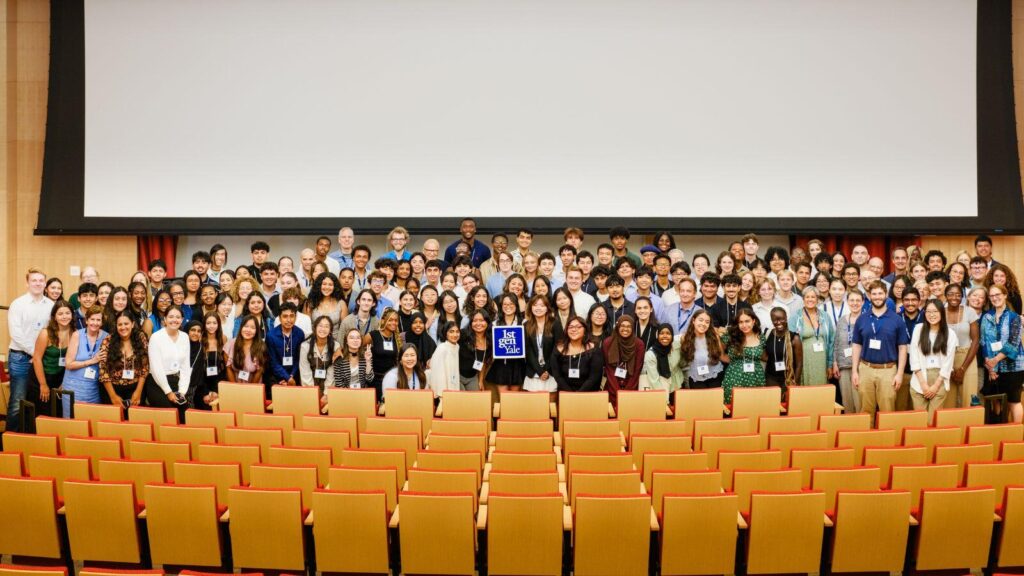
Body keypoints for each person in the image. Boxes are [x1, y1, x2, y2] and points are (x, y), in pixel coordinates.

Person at [851, 281, 910, 423]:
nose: (877, 297)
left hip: (888, 370)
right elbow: (856, 345)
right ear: (869, 296)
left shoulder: (897, 320)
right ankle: (866, 441)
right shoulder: (862, 318)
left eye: (880, 293)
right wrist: (855, 371)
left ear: (885, 295)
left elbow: (903, 348)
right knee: (865, 411)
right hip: (866, 369)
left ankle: (887, 442)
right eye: (874, 294)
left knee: (887, 412)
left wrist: (900, 374)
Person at [6, 268, 55, 431]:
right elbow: (16, 334)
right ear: (27, 283)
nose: (38, 283)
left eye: (41, 280)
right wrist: (35, 354)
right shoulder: (18, 304)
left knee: (37, 400)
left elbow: (53, 331)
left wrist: (39, 356)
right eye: (34, 280)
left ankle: (32, 437)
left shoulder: (50, 305)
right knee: (17, 403)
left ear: (45, 284)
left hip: (41, 360)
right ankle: (11, 442)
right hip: (20, 358)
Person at [980, 284, 1024, 423]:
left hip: (1013, 367)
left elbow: (1013, 343)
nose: (995, 298)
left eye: (998, 294)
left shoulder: (1014, 317)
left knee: (1013, 401)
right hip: (993, 368)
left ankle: (1015, 434)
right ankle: (999, 431)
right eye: (992, 296)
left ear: (1005, 295)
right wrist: (990, 364)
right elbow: (983, 341)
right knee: (996, 401)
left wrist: (995, 360)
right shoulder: (987, 316)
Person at [909, 300, 958, 420]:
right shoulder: (918, 329)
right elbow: (914, 357)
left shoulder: (950, 334)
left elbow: (948, 362)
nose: (932, 315)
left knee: (932, 421)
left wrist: (935, 386)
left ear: (942, 313)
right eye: (929, 312)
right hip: (919, 378)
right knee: (919, 421)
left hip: (939, 378)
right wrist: (923, 384)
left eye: (935, 311)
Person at [145, 305, 193, 417]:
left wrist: (182, 391)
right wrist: (168, 392)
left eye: (178, 317)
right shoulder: (156, 337)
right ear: (165, 319)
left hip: (177, 382)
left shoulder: (185, 337)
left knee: (183, 415)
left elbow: (186, 366)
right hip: (158, 384)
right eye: (171, 317)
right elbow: (156, 369)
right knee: (169, 417)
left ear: (182, 320)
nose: (174, 320)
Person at [61, 305, 109, 415]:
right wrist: (92, 361)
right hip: (73, 388)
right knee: (72, 422)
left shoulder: (106, 337)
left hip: (92, 389)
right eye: (92, 319)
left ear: (102, 322)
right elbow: (68, 364)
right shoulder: (77, 335)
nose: (95, 323)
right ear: (86, 320)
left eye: (98, 320)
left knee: (90, 422)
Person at [30, 300, 73, 418]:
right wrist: (43, 385)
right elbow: (36, 359)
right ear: (54, 317)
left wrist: (64, 382)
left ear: (72, 315)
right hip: (41, 377)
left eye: (67, 313)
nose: (64, 316)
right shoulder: (46, 333)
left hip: (59, 377)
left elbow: (71, 361)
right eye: (60, 314)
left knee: (58, 412)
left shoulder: (74, 333)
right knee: (43, 413)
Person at [98, 310, 149, 408]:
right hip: (112, 388)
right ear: (116, 326)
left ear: (133, 324)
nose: (123, 327)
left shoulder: (141, 338)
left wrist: (138, 392)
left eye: (126, 324)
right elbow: (103, 371)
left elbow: (145, 367)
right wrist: (113, 396)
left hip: (135, 387)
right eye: (120, 324)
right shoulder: (108, 340)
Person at [943, 283, 980, 408]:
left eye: (958, 295)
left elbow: (975, 341)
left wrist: (963, 368)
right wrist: (951, 368)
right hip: (946, 358)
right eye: (951, 294)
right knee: (948, 399)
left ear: (962, 297)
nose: (955, 297)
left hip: (967, 356)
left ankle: (970, 427)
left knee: (969, 398)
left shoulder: (969, 312)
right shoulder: (939, 311)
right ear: (945, 296)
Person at [789, 286, 834, 386]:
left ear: (817, 299)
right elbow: (789, 342)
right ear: (803, 299)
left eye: (813, 297)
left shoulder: (825, 316)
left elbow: (831, 341)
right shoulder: (795, 317)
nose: (810, 299)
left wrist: (830, 364)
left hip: (822, 361)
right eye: (807, 297)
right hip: (804, 361)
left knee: (821, 389)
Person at [550, 316, 604, 392]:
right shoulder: (559, 349)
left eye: (578, 327)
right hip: (565, 394)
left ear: (585, 330)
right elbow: (557, 376)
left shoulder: (594, 349)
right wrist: (570, 393)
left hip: (588, 395)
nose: (574, 330)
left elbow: (594, 377)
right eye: (571, 327)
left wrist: (578, 394)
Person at [678, 309, 726, 389]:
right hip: (695, 377)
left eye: (707, 322)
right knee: (699, 400)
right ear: (693, 320)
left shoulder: (714, 337)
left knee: (715, 401)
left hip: (715, 374)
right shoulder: (685, 338)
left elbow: (721, 356)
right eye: (700, 320)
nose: (703, 324)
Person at [833, 289, 864, 414]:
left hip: (862, 367)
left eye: (858, 300)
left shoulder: (867, 319)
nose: (855, 303)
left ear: (863, 302)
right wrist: (835, 363)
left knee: (860, 402)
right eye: (852, 300)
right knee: (847, 403)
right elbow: (836, 343)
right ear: (847, 302)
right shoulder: (842, 320)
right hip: (844, 366)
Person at [602, 315, 644, 407]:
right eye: (622, 326)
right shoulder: (608, 343)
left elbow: (637, 370)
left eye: (629, 326)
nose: (625, 329)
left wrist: (627, 393)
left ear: (633, 328)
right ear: (618, 327)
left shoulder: (639, 344)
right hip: (611, 387)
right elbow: (609, 369)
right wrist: (616, 392)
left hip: (631, 388)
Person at [265, 303, 305, 389]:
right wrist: (287, 378)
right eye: (285, 316)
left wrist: (291, 376)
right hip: (276, 376)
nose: (289, 320)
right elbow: (273, 362)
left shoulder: (300, 334)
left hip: (294, 375)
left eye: (292, 316)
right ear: (279, 318)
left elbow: (299, 359)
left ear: (296, 317)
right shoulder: (271, 335)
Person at [193, 312, 227, 410]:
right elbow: (197, 369)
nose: (211, 326)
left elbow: (224, 367)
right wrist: (205, 393)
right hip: (201, 384)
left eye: (214, 323)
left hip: (219, 383)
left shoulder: (223, 339)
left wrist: (217, 391)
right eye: (208, 323)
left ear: (218, 324)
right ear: (204, 324)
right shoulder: (198, 339)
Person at [523, 294, 556, 394]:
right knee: (533, 407)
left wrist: (546, 370)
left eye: (542, 305)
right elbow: (528, 351)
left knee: (551, 407)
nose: (538, 308)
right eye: (535, 305)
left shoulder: (555, 324)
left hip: (551, 372)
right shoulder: (526, 325)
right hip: (532, 372)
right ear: (531, 307)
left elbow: (557, 349)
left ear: (547, 308)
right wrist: (540, 371)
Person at [765, 307, 801, 393]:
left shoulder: (794, 338)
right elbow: (764, 355)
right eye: (775, 320)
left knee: (788, 404)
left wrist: (794, 382)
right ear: (771, 320)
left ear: (786, 318)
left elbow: (799, 364)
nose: (778, 322)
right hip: (771, 377)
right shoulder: (767, 334)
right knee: (772, 403)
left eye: (781, 319)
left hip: (788, 378)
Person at [225, 315, 268, 386]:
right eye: (246, 326)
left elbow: (259, 371)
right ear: (241, 327)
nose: (248, 330)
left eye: (252, 328)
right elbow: (228, 369)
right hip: (234, 385)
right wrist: (235, 388)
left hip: (254, 386)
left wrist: (248, 390)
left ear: (257, 331)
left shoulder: (261, 346)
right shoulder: (230, 344)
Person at [369, 309, 402, 400]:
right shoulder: (373, 335)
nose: (394, 323)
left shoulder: (397, 338)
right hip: (375, 380)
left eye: (396, 320)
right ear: (383, 320)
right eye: (390, 320)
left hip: (392, 380)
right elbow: (359, 347)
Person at [300, 316, 337, 391]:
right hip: (309, 388)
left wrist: (327, 393)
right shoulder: (305, 346)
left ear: (330, 330)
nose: (323, 329)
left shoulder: (335, 346)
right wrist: (313, 392)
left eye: (326, 326)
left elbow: (332, 373)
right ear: (315, 328)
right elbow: (305, 372)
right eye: (320, 326)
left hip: (329, 387)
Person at [644, 324, 684, 393]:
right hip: (661, 387)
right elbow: (654, 381)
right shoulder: (651, 355)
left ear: (672, 336)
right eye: (661, 333)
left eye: (668, 333)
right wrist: (664, 398)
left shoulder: (677, 346)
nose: (665, 336)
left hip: (677, 385)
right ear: (657, 336)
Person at [458, 310, 492, 391]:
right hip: (457, 375)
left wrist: (480, 381)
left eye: (482, 320)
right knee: (462, 399)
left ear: (487, 322)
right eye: (475, 320)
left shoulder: (490, 340)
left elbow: (483, 362)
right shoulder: (463, 335)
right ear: (471, 323)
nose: (478, 323)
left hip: (472, 377)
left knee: (475, 400)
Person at [428, 322, 463, 397]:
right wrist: (443, 394)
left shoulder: (457, 346)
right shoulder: (442, 348)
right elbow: (437, 374)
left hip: (454, 383)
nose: (455, 335)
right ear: (445, 333)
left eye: (457, 331)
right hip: (444, 390)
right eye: (451, 331)